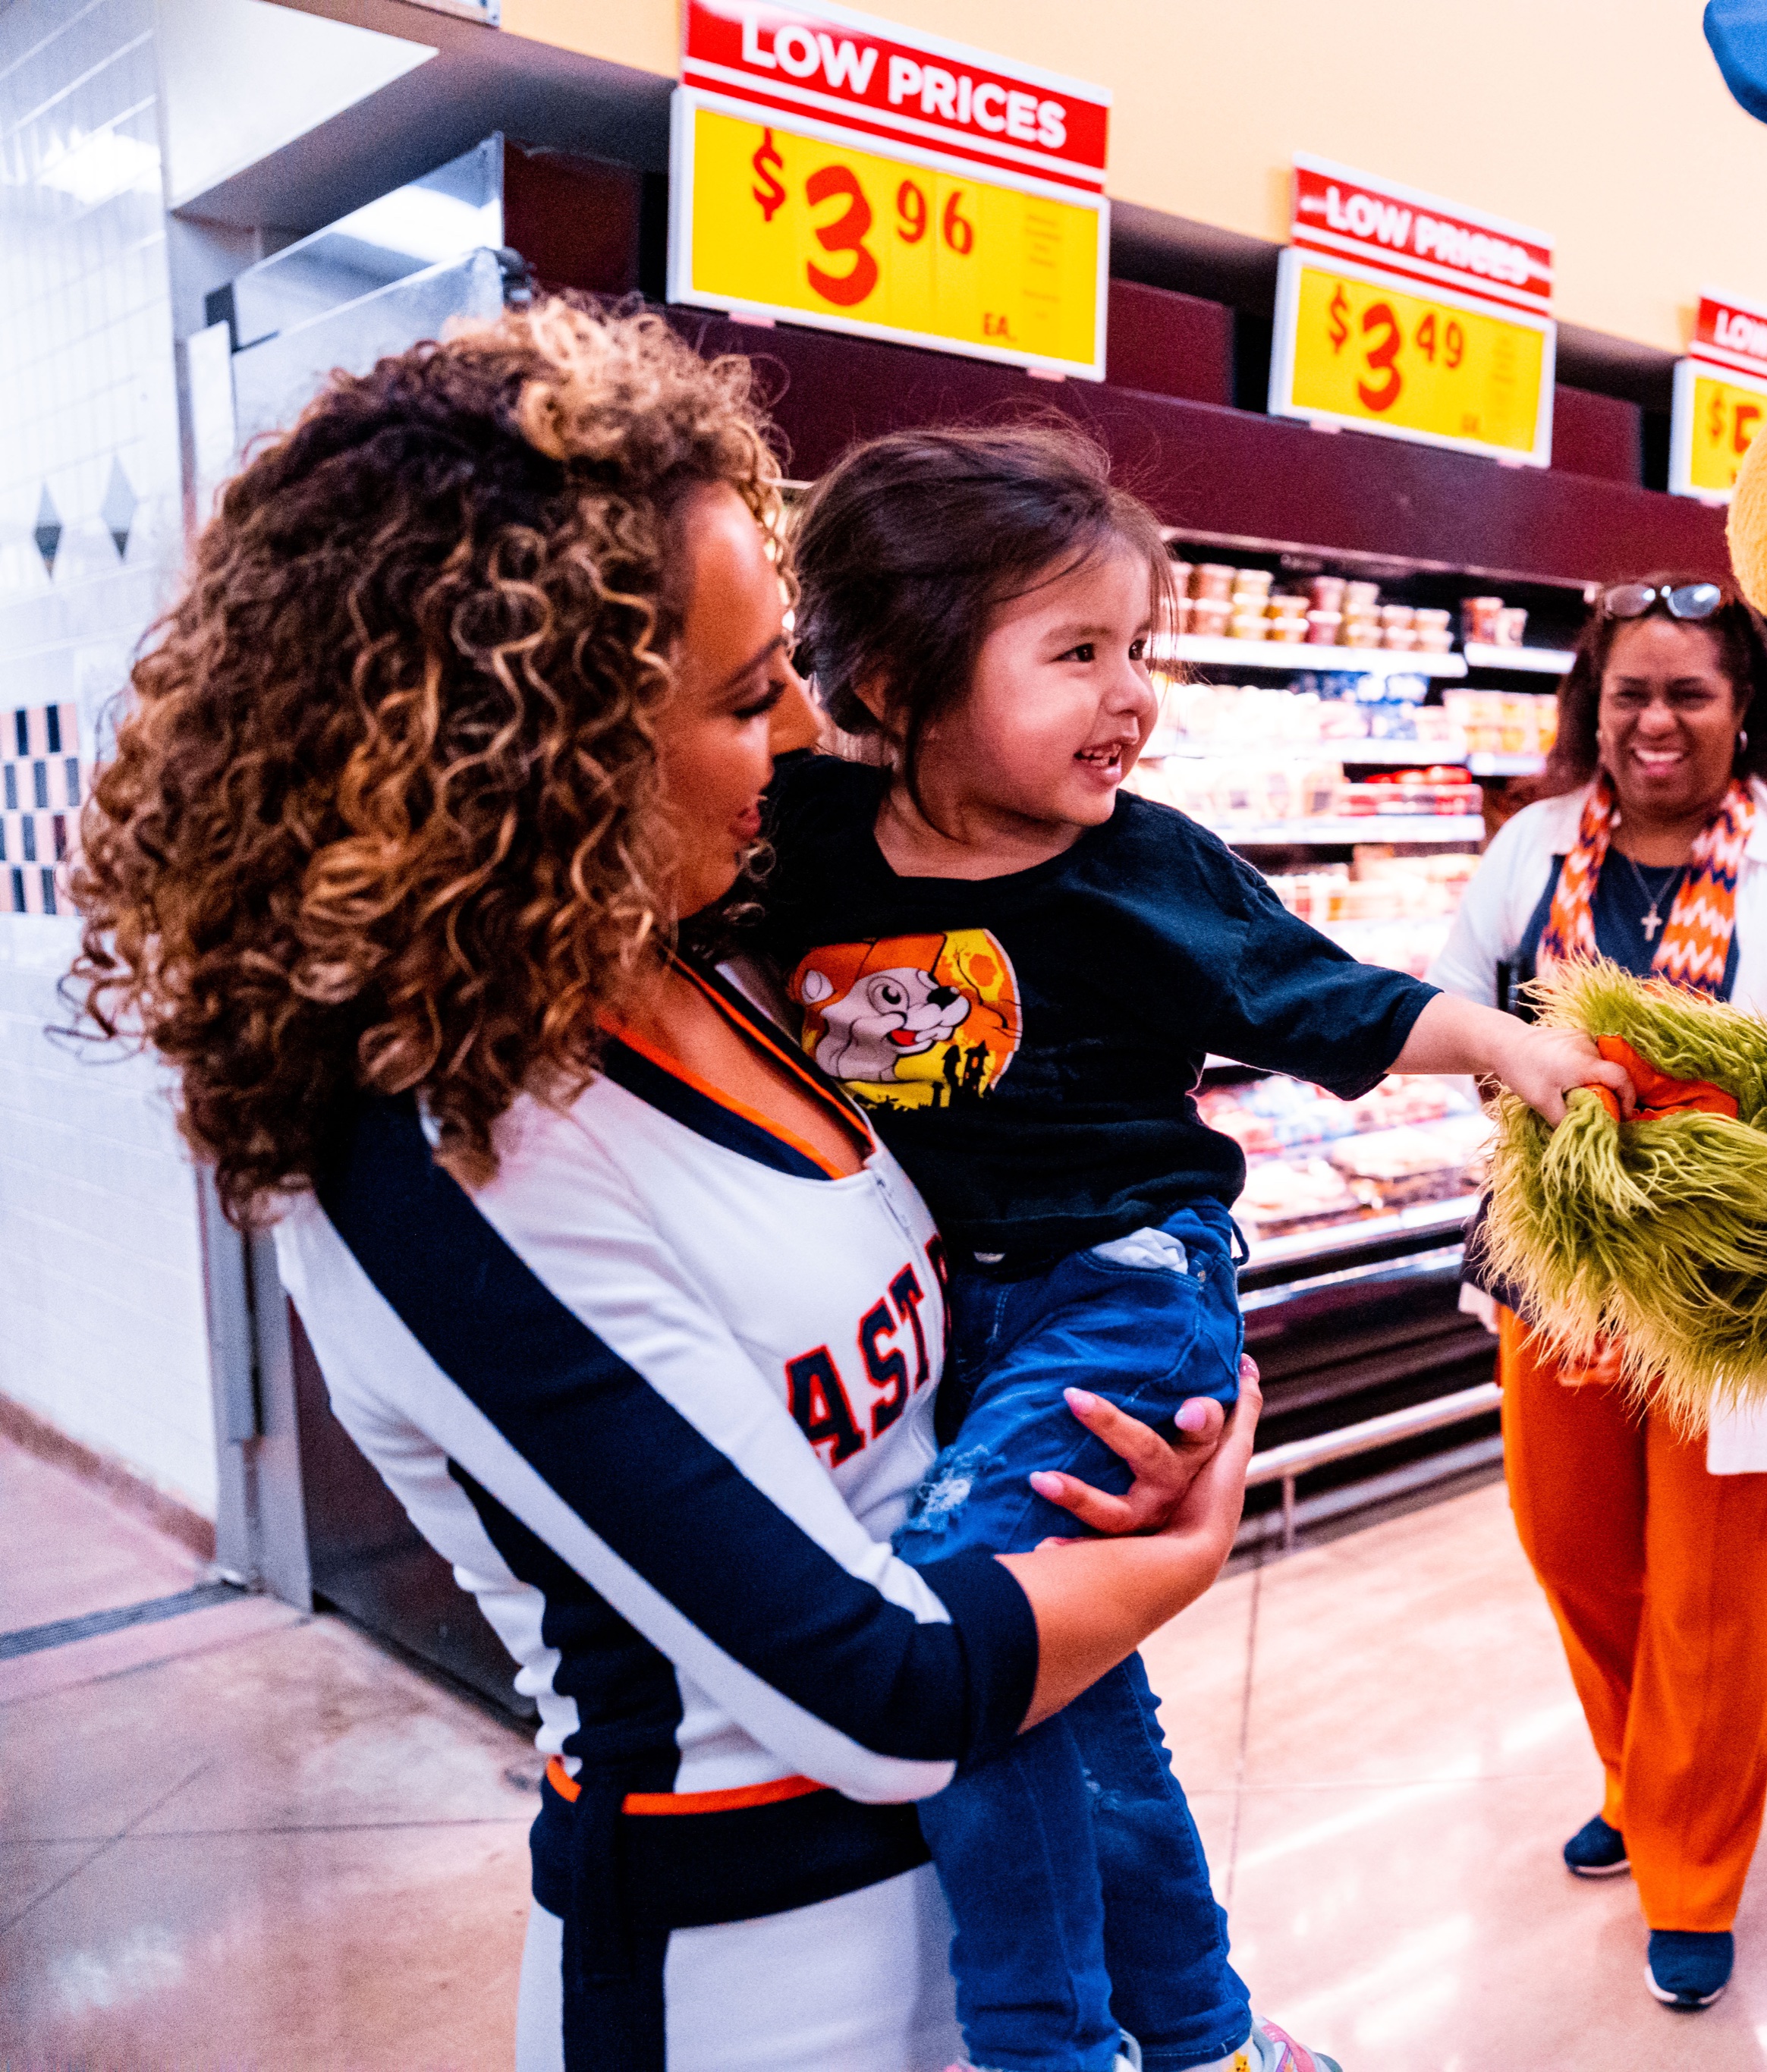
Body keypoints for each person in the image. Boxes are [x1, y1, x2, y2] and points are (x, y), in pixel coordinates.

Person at [67, 300, 1255, 2072]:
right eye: (735, 690)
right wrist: (1184, 1540)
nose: (798, 724)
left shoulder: (709, 958)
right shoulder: (434, 1166)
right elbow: (883, 1682)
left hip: (997, 1900)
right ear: (533, 754)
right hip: (756, 1981)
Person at [753, 423, 1627, 2072]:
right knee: (1083, 1702)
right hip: (953, 1314)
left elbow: (1332, 995)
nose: (1132, 694)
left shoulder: (1149, 871)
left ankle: (1042, 2046)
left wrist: (1510, 1049)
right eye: (1074, 651)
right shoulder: (800, 837)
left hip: (1123, 1295)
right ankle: (1206, 2033)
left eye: (1137, 647)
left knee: (963, 1624)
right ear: (898, 677)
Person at [1428, 574, 1767, 2011]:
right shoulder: (1527, 850)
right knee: (1571, 1545)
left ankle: (1690, 1867)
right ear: (1594, 705)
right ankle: (1639, 1775)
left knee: (1707, 1587)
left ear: (1744, 708)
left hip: (1721, 1292)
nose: (1655, 720)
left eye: (1689, 691)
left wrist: (1670, 1105)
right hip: (1549, 1276)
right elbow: (1450, 1001)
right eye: (1630, 690)